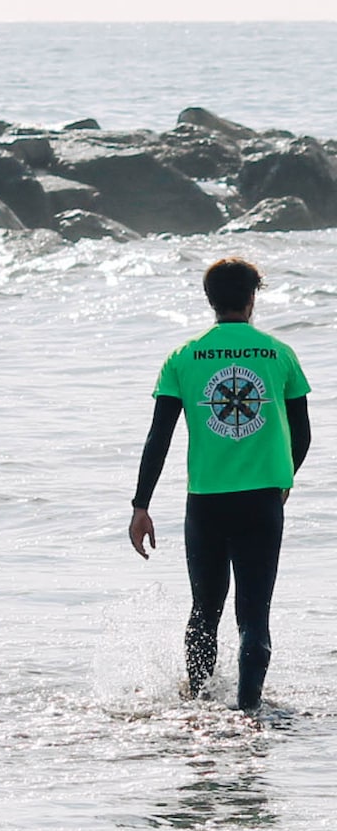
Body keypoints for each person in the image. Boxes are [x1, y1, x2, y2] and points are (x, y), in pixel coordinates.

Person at [128, 256, 312, 712]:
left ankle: (201, 708)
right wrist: (284, 479)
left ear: (209, 300)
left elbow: (160, 437)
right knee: (253, 616)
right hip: (262, 500)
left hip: (206, 503)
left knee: (204, 611)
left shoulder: (183, 356)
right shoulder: (279, 353)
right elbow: (303, 433)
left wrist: (140, 505)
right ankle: (249, 715)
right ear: (252, 299)